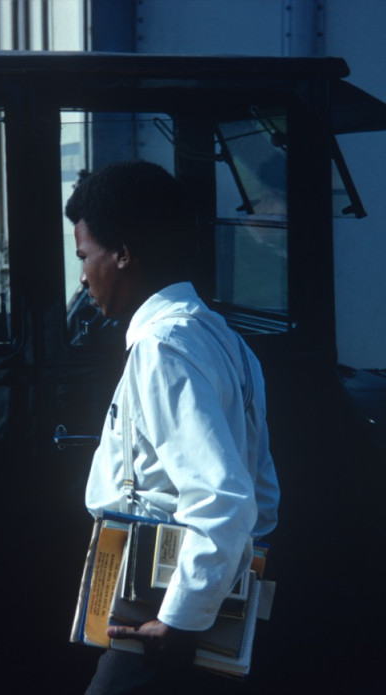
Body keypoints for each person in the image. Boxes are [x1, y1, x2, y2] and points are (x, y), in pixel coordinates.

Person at [66, 161, 280, 695]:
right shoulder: (223, 336)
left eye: (85, 257)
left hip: (160, 606)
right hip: (203, 597)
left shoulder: (162, 348)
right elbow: (263, 494)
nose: (83, 276)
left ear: (123, 253)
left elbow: (224, 498)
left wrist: (181, 618)